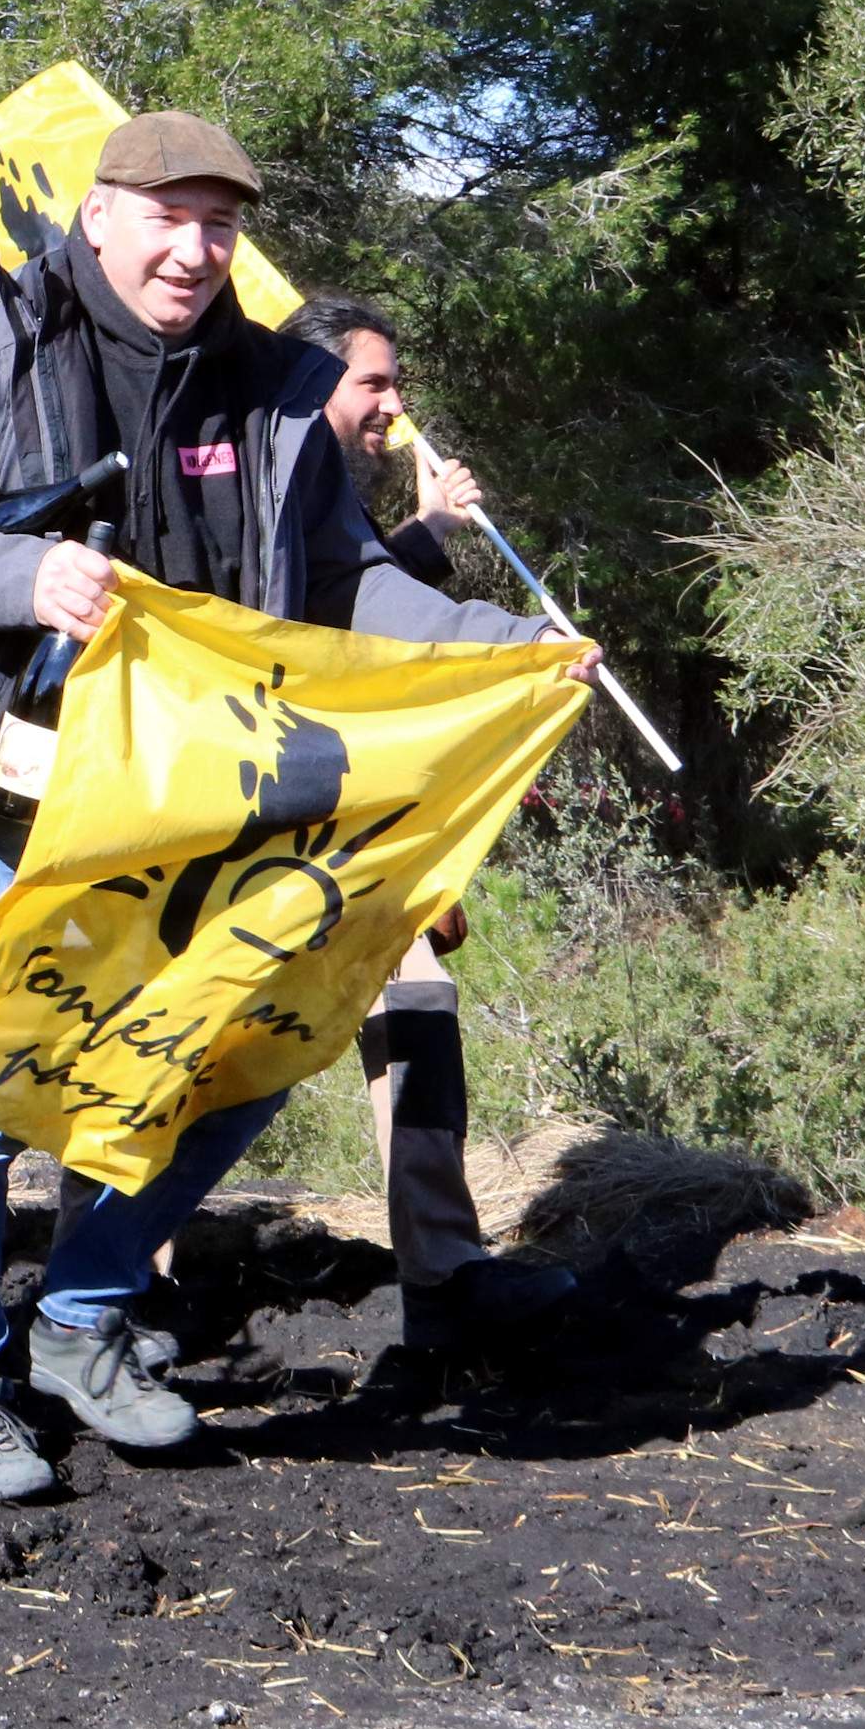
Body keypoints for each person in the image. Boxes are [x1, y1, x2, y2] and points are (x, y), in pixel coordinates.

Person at [0, 113, 574, 1502]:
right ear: (98, 216)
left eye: (221, 222)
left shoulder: (283, 388)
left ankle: (87, 1321)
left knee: (241, 1055)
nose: (195, 245)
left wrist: (495, 639)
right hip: (4, 786)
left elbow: (343, 581)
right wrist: (17, 579)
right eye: (167, 215)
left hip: (198, 799)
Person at [280, 295, 584, 1357]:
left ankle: (445, 1274)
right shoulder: (255, 464)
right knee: (191, 1034)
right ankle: (119, 1290)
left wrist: (430, 532)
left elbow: (349, 586)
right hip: (235, 798)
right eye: (375, 382)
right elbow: (349, 606)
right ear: (317, 383)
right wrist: (519, 640)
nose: (395, 403)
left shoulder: (323, 479)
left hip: (331, 796)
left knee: (415, 985)